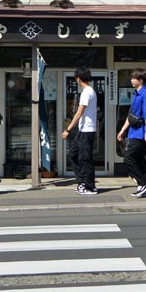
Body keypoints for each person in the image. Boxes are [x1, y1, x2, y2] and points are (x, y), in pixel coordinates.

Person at [116, 68, 146, 198]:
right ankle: (145, 188)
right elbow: (131, 115)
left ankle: (143, 184)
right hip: (133, 132)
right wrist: (122, 130)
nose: (131, 80)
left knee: (128, 159)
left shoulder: (145, 94)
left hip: (140, 133)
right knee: (139, 161)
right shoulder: (136, 94)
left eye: (134, 78)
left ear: (141, 80)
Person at [62, 66, 98, 196]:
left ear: (78, 78)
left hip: (87, 130)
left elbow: (79, 113)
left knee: (85, 159)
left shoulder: (87, 92)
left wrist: (68, 129)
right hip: (83, 130)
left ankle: (89, 186)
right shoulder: (89, 91)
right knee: (73, 154)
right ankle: (82, 182)